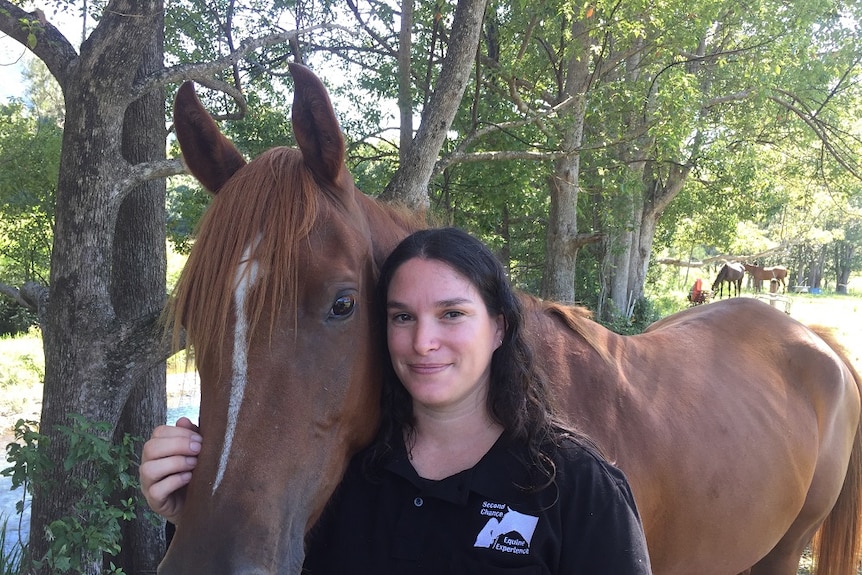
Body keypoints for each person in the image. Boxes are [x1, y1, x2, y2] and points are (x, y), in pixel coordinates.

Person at [140, 227, 652, 573]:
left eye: (451, 314)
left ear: (499, 327)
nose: (422, 342)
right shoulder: (342, 480)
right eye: (402, 316)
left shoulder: (576, 488)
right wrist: (191, 513)